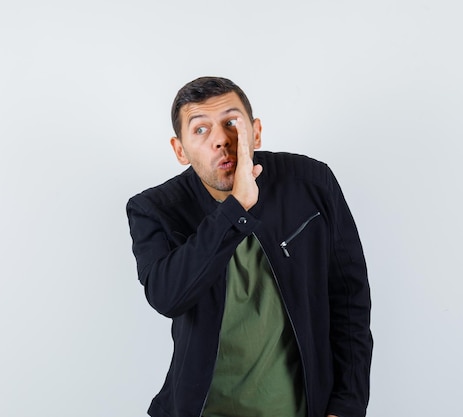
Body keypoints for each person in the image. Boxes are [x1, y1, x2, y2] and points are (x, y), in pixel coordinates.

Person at [126, 76, 372, 417]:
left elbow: (349, 301)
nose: (220, 141)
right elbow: (168, 296)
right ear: (179, 149)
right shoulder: (155, 209)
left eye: (231, 123)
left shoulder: (311, 183)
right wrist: (236, 208)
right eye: (200, 130)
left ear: (255, 131)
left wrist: (346, 405)